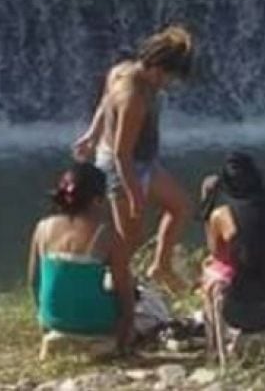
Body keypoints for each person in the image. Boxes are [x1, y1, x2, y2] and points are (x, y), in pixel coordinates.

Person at [73, 25, 195, 293]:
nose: (170, 84)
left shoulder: (121, 70)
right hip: (122, 167)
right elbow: (121, 154)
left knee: (181, 207)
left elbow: (105, 103)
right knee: (129, 239)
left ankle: (160, 266)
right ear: (157, 68)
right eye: (170, 77)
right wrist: (134, 194)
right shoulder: (134, 98)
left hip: (143, 160)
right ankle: (98, 287)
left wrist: (91, 135)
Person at [27, 163, 134, 351]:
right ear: (97, 200)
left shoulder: (42, 228)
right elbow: (124, 293)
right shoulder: (107, 235)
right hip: (96, 325)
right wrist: (123, 343)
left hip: (53, 321)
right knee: (150, 309)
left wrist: (43, 320)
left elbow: (33, 280)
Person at [201, 153, 265, 346]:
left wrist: (207, 202)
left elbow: (218, 255)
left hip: (247, 313)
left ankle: (214, 349)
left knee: (210, 273)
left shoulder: (224, 215)